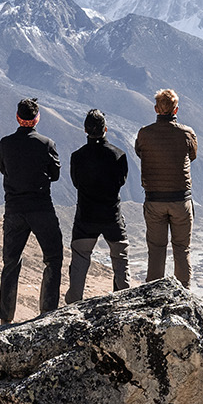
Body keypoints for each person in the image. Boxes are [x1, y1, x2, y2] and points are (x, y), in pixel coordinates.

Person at [0, 96, 63, 323]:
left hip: (14, 209)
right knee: (53, 258)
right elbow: (55, 174)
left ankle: (6, 318)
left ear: (18, 117)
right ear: (36, 119)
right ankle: (47, 313)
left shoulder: (5, 143)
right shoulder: (46, 144)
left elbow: (3, 168)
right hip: (41, 208)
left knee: (11, 261)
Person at [135, 88, 198, 287]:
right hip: (181, 199)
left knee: (156, 248)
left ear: (156, 109)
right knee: (181, 248)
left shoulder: (144, 134)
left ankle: (153, 291)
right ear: (176, 110)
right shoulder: (186, 133)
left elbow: (140, 153)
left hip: (154, 200)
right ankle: (184, 292)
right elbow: (193, 155)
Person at [66, 108, 130, 302]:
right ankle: (126, 302)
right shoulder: (119, 155)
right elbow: (121, 181)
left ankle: (73, 304)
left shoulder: (77, 157)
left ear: (85, 131)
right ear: (106, 129)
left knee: (80, 259)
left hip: (86, 217)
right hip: (112, 216)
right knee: (120, 259)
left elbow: (76, 182)